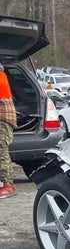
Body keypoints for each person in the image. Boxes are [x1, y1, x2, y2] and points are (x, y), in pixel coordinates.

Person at [0, 63, 17, 199]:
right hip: (6, 118)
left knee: (1, 151)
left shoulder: (0, 78)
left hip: (2, 118)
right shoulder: (2, 76)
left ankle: (7, 186)